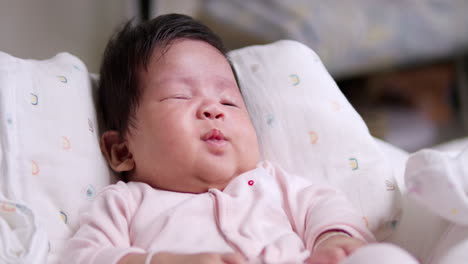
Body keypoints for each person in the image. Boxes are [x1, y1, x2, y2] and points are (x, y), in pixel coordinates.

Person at [63, 14, 419, 264]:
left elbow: (326, 207)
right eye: (180, 97)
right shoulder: (127, 204)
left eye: (229, 101)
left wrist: (334, 241)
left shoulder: (273, 185)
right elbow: (82, 257)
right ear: (121, 150)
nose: (213, 110)